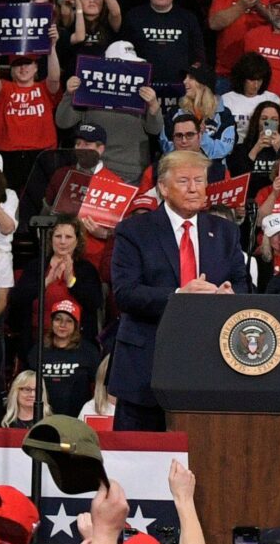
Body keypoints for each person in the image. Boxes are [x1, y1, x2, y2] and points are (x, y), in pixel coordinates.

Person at [108, 148, 255, 430]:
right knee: (139, 458)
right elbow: (125, 293)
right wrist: (178, 297)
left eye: (199, 181)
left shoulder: (225, 232)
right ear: (163, 187)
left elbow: (242, 282)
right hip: (147, 364)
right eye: (184, 181)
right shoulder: (134, 231)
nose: (194, 189)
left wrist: (229, 296)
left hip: (210, 363)